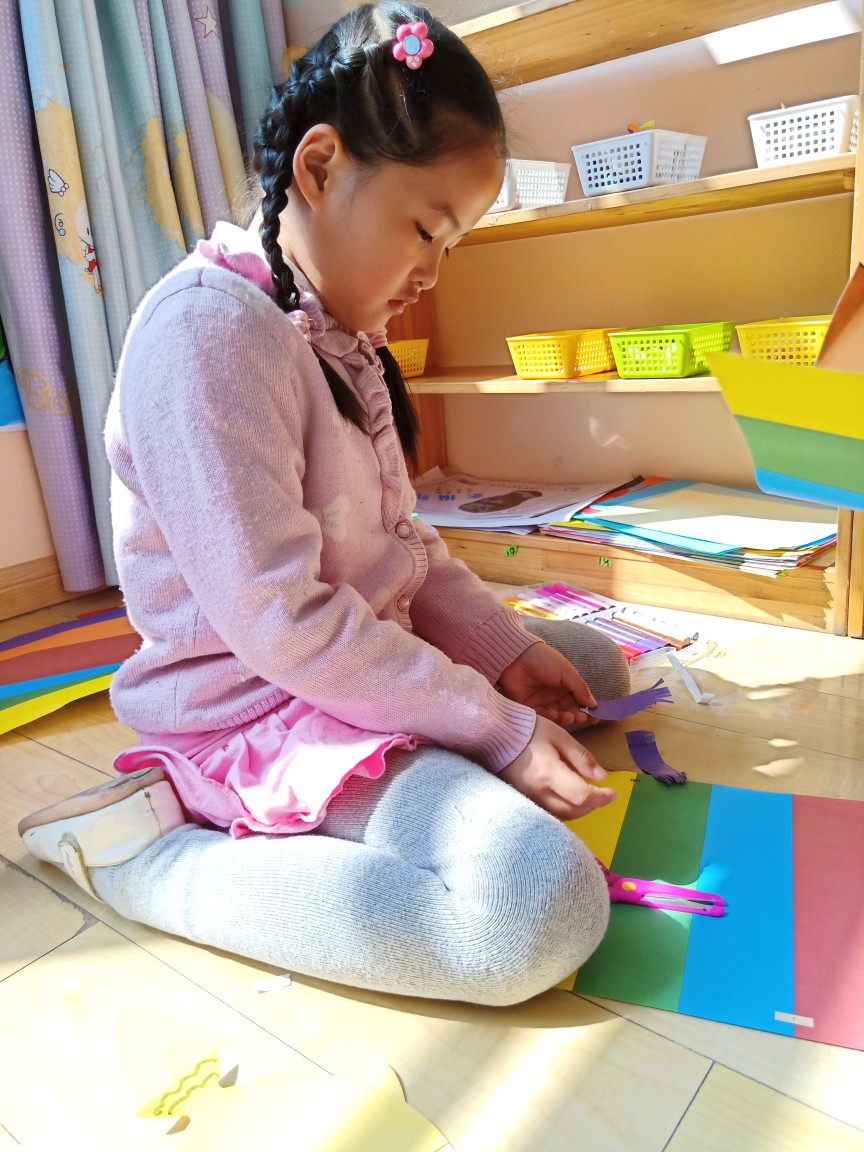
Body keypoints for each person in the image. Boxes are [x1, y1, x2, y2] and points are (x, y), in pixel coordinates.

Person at [18, 1, 630, 1007]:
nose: (430, 274)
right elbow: (285, 626)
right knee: (532, 913)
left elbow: (401, 543)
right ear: (318, 167)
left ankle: (441, 723)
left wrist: (499, 654)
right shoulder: (209, 335)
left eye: (451, 246)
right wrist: (491, 725)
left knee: (586, 670)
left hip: (351, 654)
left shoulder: (337, 331)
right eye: (425, 231)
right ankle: (147, 859)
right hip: (259, 703)